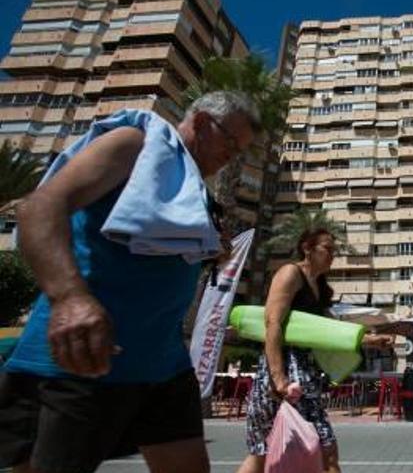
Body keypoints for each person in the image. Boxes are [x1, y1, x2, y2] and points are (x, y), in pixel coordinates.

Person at [0, 91, 261, 473]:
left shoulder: (188, 191)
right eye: (232, 143)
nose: (232, 156)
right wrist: (70, 298)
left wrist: (206, 251)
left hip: (163, 364)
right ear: (204, 123)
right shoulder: (135, 143)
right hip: (86, 356)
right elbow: (39, 207)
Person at [237, 228, 393, 473]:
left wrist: (369, 341)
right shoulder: (291, 273)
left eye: (334, 250)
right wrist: (279, 378)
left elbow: (327, 332)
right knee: (262, 453)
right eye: (327, 249)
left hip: (305, 374)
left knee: (322, 450)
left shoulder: (320, 287)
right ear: (307, 248)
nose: (333, 255)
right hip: (282, 372)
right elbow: (273, 323)